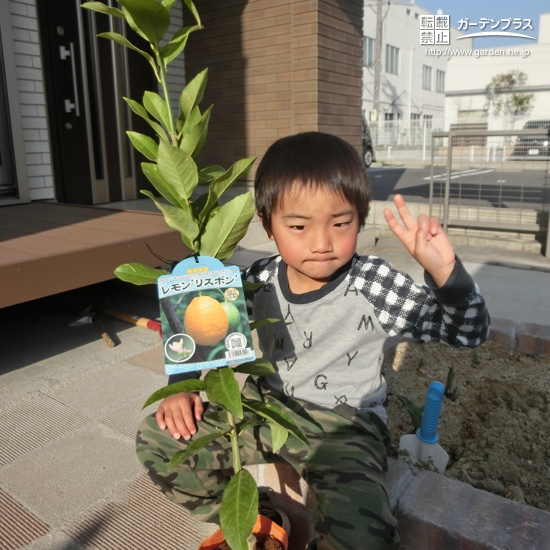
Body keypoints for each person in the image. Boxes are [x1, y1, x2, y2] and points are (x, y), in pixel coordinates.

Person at [136, 132, 490, 549]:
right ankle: (255, 519)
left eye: (341, 224)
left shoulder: (373, 284)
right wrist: (188, 383)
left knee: (363, 535)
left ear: (359, 218)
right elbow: (202, 328)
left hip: (344, 424)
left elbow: (468, 333)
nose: (322, 243)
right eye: (299, 226)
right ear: (268, 225)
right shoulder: (258, 280)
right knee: (157, 440)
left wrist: (447, 277)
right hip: (264, 410)